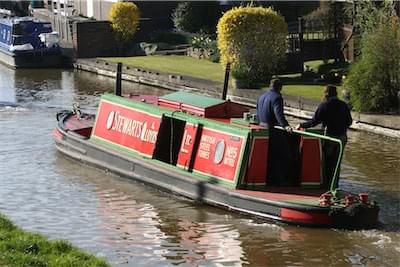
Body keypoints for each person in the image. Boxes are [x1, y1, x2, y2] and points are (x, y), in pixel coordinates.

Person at [296, 84, 353, 189]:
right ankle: (334, 185)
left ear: (326, 94)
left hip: (330, 137)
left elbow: (314, 122)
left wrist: (301, 125)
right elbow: (349, 122)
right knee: (337, 163)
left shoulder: (324, 105)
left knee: (327, 162)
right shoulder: (343, 105)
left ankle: (326, 186)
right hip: (342, 137)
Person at [257, 79, 298, 186]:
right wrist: (286, 126)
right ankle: (280, 180)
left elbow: (258, 113)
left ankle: (269, 178)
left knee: (269, 155)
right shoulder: (277, 97)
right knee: (285, 155)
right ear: (280, 87)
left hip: (261, 129)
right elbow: (278, 114)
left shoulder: (261, 97)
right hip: (273, 130)